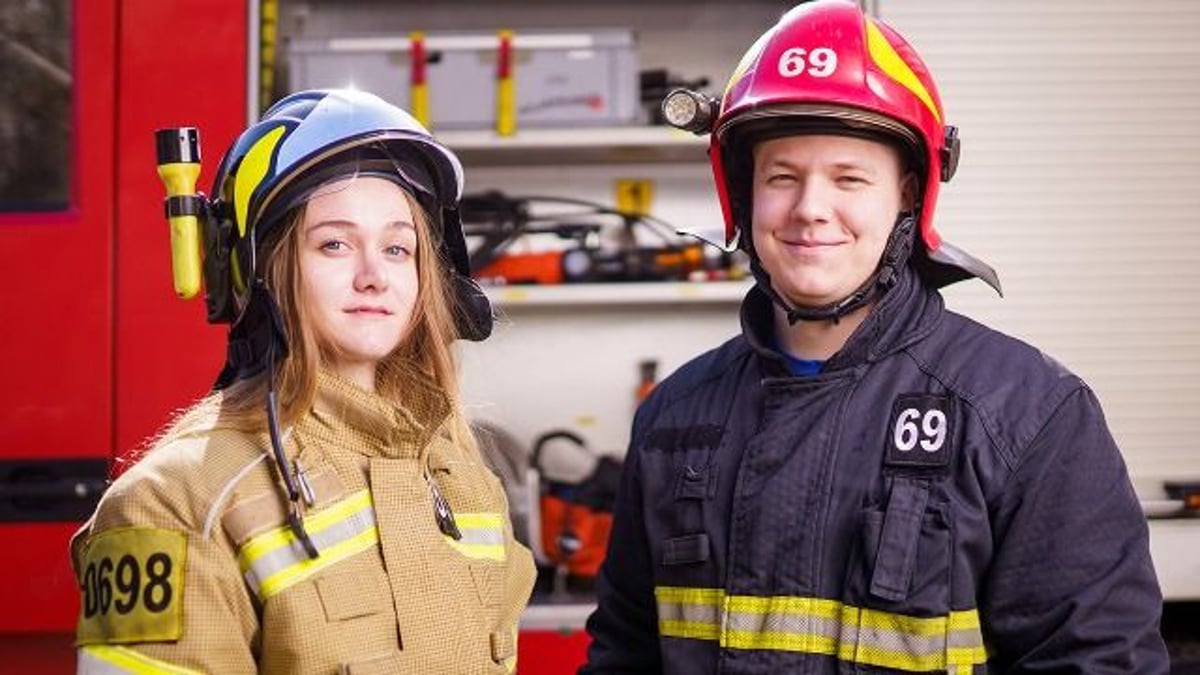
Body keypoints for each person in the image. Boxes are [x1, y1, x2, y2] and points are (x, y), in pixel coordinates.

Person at [582, 2, 1169, 673]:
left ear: (908, 196)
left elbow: (1097, 659)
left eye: (849, 178)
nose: (810, 208)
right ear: (743, 195)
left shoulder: (1029, 415)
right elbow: (624, 652)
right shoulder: (674, 416)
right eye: (782, 177)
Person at [70, 89, 535, 674]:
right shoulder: (174, 500)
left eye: (398, 247)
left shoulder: (463, 480)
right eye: (334, 244)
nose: (374, 276)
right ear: (262, 267)